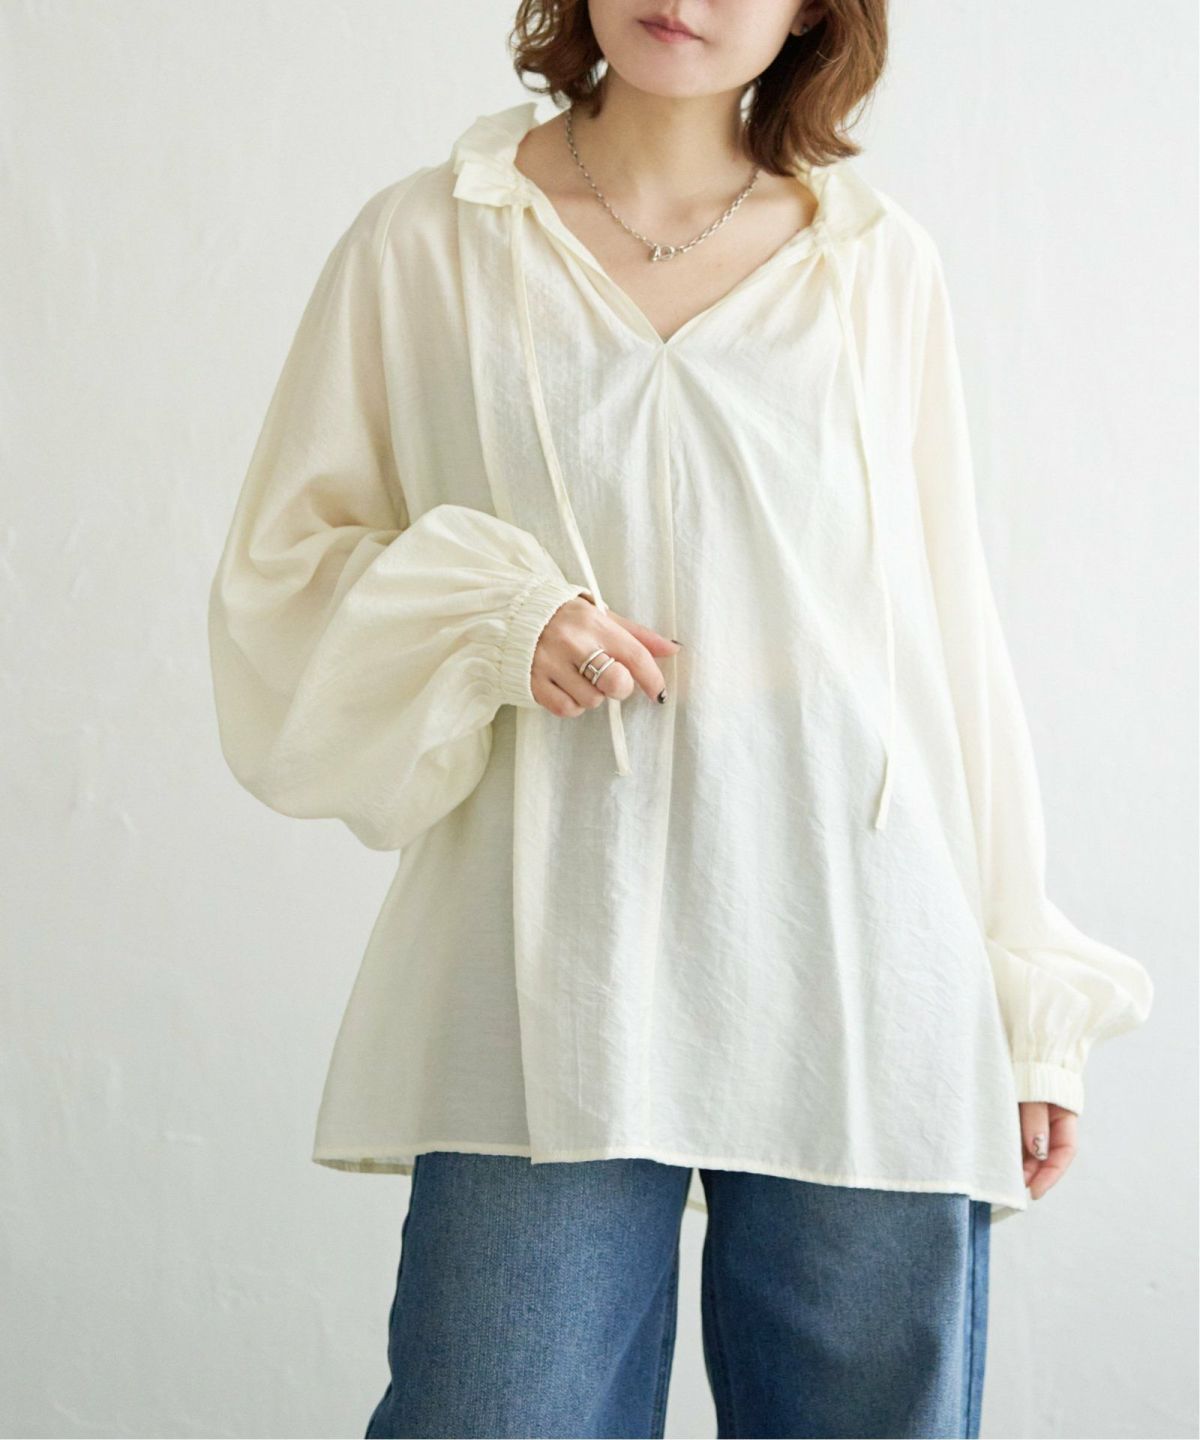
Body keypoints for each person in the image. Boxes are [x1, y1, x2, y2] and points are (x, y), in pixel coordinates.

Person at [206, 2, 1155, 1436]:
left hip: (859, 944)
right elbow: (283, 575)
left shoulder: (871, 263)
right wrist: (499, 619)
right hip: (544, 948)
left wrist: (1027, 996)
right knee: (493, 1408)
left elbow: (944, 642)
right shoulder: (432, 239)